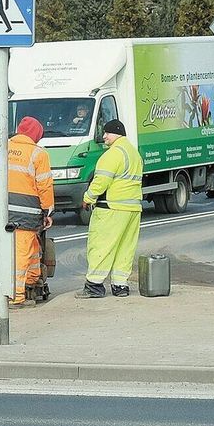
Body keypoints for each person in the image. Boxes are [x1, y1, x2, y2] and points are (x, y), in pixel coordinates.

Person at [0, 116, 53, 308]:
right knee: (23, 252)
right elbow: (45, 185)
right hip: (27, 212)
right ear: (36, 135)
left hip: (4, 210)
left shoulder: (3, 147)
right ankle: (17, 297)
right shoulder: (38, 154)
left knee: (30, 249)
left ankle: (32, 281)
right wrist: (48, 211)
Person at [78, 120, 143, 299]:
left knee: (101, 244)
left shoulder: (113, 154)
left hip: (111, 208)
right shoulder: (133, 153)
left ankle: (94, 285)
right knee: (125, 248)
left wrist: (88, 198)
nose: (104, 136)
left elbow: (101, 181)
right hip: (132, 209)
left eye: (107, 133)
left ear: (117, 133)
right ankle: (120, 285)